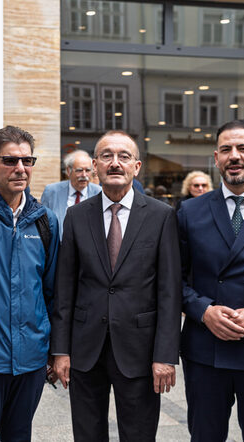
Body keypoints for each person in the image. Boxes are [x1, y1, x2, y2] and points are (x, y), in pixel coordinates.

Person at [51, 130, 181, 441]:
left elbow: (169, 291)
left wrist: (165, 355)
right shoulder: (76, 216)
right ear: (95, 165)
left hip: (140, 351)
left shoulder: (162, 216)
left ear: (137, 166)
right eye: (106, 156)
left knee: (138, 435)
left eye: (124, 156)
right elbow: (64, 288)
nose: (115, 163)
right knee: (87, 434)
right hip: (85, 350)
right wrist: (60, 350)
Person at [0, 125, 59, 441]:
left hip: (31, 359)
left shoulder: (45, 221)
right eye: (10, 160)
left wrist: (54, 350)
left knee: (19, 436)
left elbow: (52, 291)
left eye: (27, 160)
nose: (20, 168)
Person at [178, 119, 244, 441]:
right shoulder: (190, 211)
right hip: (206, 351)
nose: (234, 156)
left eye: (243, 148)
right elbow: (172, 280)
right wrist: (204, 311)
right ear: (216, 158)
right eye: (226, 149)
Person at [41, 150, 101, 236]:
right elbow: (43, 223)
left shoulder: (99, 192)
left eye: (88, 170)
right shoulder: (52, 191)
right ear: (69, 171)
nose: (84, 175)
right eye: (79, 170)